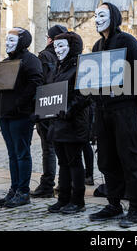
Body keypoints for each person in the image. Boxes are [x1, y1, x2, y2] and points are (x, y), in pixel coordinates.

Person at [88, 2, 137, 228]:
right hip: (103, 109)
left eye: (101, 15)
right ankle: (114, 204)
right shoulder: (96, 45)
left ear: (112, 17)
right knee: (106, 159)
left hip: (124, 108)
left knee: (130, 158)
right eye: (94, 16)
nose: (96, 19)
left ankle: (136, 207)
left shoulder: (127, 41)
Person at [0, 27, 43, 208]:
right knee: (12, 154)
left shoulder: (31, 61)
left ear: (22, 42)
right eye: (7, 40)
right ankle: (14, 189)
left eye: (12, 41)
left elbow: (36, 83)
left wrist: (20, 104)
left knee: (21, 154)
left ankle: (23, 192)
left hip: (20, 115)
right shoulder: (6, 62)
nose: (7, 44)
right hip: (5, 115)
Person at [47, 31, 91, 214]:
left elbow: (84, 94)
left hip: (74, 123)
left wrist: (69, 109)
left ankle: (78, 200)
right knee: (63, 163)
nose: (58, 50)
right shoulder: (60, 67)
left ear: (72, 47)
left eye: (62, 46)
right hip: (59, 123)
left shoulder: (81, 67)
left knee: (74, 162)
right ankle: (63, 198)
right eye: (56, 46)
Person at [31, 25, 68, 198]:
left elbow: (40, 81)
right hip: (63, 107)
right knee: (63, 149)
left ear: (51, 39)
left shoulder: (44, 55)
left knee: (49, 149)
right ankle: (64, 184)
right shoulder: (67, 55)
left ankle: (47, 185)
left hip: (47, 105)